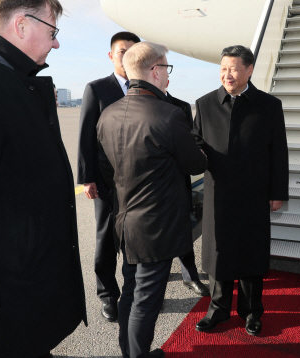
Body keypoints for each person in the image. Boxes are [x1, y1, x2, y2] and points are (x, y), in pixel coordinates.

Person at [0, 0, 86, 358]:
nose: (56, 42)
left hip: (23, 284)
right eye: (52, 30)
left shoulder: (14, 82)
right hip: (3, 295)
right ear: (21, 25)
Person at [97, 42, 207, 358]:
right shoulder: (168, 115)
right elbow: (196, 165)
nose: (168, 77)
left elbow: (107, 171)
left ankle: (132, 352)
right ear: (155, 71)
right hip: (157, 228)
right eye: (166, 69)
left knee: (131, 295)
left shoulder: (109, 114)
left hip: (124, 222)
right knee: (146, 301)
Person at [193, 45, 289, 336]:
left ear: (249, 69)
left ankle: (251, 312)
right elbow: (196, 143)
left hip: (254, 194)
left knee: (251, 253)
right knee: (219, 253)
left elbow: (279, 153)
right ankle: (218, 309)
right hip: (217, 194)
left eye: (234, 68)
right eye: (223, 68)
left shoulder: (268, 105)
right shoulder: (206, 103)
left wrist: (277, 192)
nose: (227, 74)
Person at [77, 31, 140, 322]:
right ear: (111, 55)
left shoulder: (147, 88)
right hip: (105, 180)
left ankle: (133, 292)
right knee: (106, 240)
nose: (126, 57)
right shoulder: (97, 88)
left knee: (135, 240)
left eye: (132, 52)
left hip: (139, 183)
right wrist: (87, 177)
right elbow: (85, 136)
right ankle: (107, 295)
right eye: (121, 52)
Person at [165, 80, 210, 297]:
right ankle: (157, 286)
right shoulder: (139, 104)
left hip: (179, 179)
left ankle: (190, 276)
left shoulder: (181, 106)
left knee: (183, 230)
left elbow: (191, 142)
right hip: (152, 185)